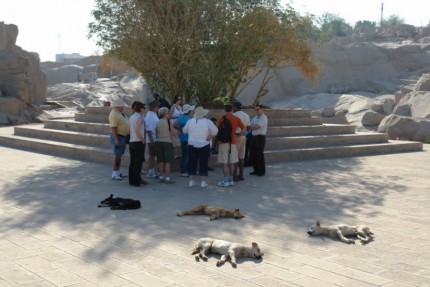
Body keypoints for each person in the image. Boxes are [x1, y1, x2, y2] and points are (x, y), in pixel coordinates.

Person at [183, 106, 218, 188]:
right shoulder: (207, 122)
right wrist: (211, 135)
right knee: (203, 163)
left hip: (192, 144)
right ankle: (203, 182)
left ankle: (191, 181)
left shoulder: (190, 121)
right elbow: (215, 130)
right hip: (204, 144)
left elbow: (184, 131)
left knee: (192, 162)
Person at [216, 104, 245, 187]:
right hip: (233, 142)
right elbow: (244, 128)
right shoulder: (236, 118)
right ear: (232, 110)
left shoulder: (221, 118)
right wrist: (239, 135)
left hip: (223, 142)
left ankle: (225, 181)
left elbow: (217, 128)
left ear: (225, 110)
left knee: (225, 163)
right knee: (232, 162)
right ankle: (231, 180)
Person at [128, 101, 149, 186]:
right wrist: (142, 139)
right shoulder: (139, 118)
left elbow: (129, 129)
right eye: (144, 107)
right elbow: (137, 130)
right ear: (140, 108)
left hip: (132, 141)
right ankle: (137, 181)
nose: (145, 109)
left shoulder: (132, 117)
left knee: (132, 162)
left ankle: (131, 180)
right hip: (138, 142)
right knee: (138, 163)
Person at [108, 98, 129, 180]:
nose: (123, 107)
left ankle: (118, 172)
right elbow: (113, 127)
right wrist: (116, 140)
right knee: (117, 156)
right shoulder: (114, 114)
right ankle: (114, 173)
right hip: (118, 136)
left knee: (119, 155)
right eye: (121, 105)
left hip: (122, 136)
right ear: (117, 106)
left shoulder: (119, 113)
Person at [173, 104, 195, 177]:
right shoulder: (183, 117)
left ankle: (187, 170)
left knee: (189, 155)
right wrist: (181, 130)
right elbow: (174, 124)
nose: (192, 111)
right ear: (189, 111)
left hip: (190, 139)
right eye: (191, 110)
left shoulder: (188, 117)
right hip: (185, 139)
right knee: (185, 155)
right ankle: (183, 171)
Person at [155, 107, 176, 184]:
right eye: (167, 112)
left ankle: (160, 176)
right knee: (167, 161)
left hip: (159, 141)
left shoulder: (158, 122)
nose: (169, 114)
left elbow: (156, 133)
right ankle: (167, 177)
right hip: (167, 141)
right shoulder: (169, 121)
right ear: (165, 114)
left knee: (160, 160)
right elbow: (173, 133)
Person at [232, 101, 250, 182]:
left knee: (235, 157)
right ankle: (241, 175)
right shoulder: (246, 115)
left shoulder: (234, 115)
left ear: (235, 107)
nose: (232, 108)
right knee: (241, 157)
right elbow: (248, 128)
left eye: (233, 107)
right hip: (244, 137)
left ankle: (235, 176)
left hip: (236, 136)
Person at [249, 104, 268, 176]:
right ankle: (256, 170)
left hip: (260, 137)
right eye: (255, 109)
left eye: (258, 109)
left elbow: (256, 126)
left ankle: (261, 171)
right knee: (253, 154)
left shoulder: (263, 118)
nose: (256, 111)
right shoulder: (255, 118)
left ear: (262, 110)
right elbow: (250, 126)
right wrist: (252, 126)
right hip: (253, 137)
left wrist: (252, 126)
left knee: (259, 154)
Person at [145, 100, 160, 179]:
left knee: (154, 155)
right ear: (153, 107)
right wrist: (151, 139)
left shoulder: (154, 114)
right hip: (152, 139)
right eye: (157, 106)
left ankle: (153, 169)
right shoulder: (149, 116)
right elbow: (148, 129)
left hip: (155, 138)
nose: (158, 107)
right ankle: (150, 171)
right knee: (152, 155)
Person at [169, 94, 183, 159]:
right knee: (174, 139)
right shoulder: (173, 107)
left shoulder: (180, 107)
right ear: (176, 100)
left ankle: (179, 154)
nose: (180, 100)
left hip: (179, 125)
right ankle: (175, 154)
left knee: (179, 139)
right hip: (173, 125)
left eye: (180, 99)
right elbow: (169, 116)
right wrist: (178, 116)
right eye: (179, 99)